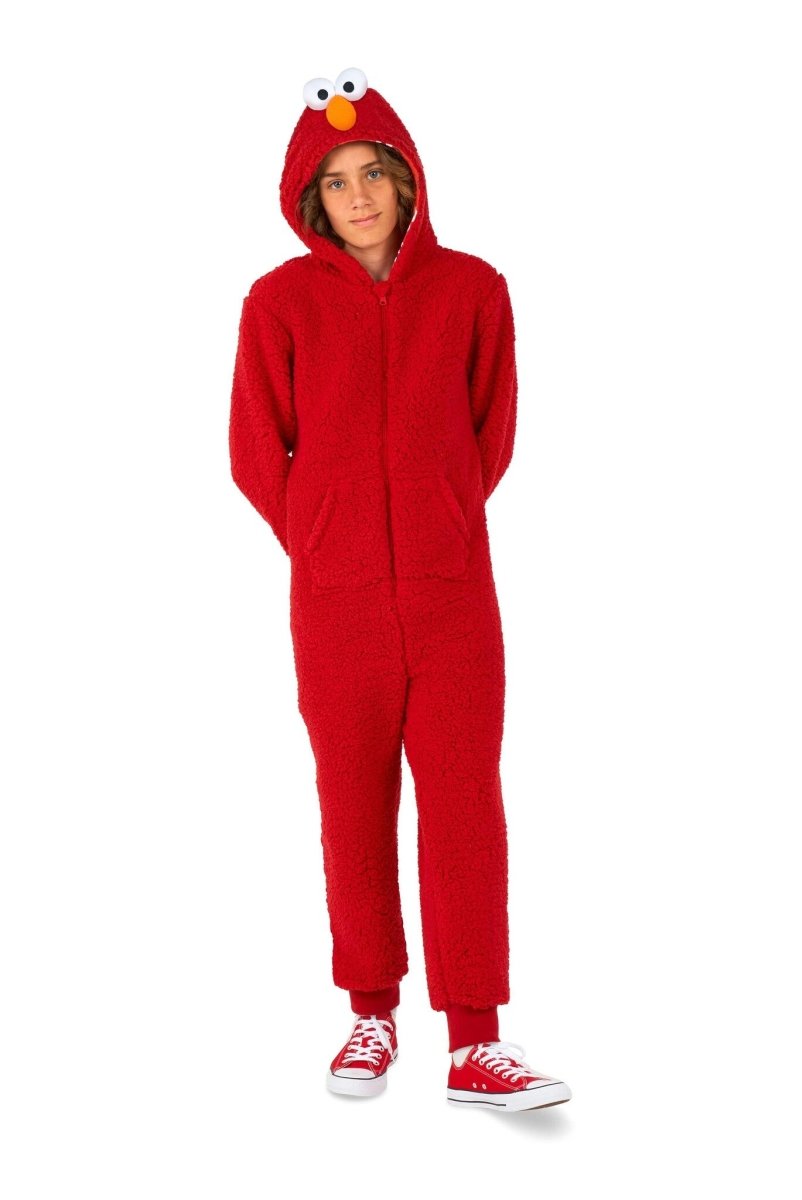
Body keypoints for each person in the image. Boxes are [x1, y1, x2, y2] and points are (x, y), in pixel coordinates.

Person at [229, 67, 572, 1113]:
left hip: (452, 596)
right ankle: (369, 1012)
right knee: (352, 803)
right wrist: (325, 539)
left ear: (405, 177)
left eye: (371, 172)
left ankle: (475, 1042)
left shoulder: (473, 290)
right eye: (335, 182)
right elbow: (255, 452)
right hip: (335, 606)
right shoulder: (279, 303)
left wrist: (438, 516)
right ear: (311, 199)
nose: (358, 196)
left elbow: (489, 434)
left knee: (466, 806)